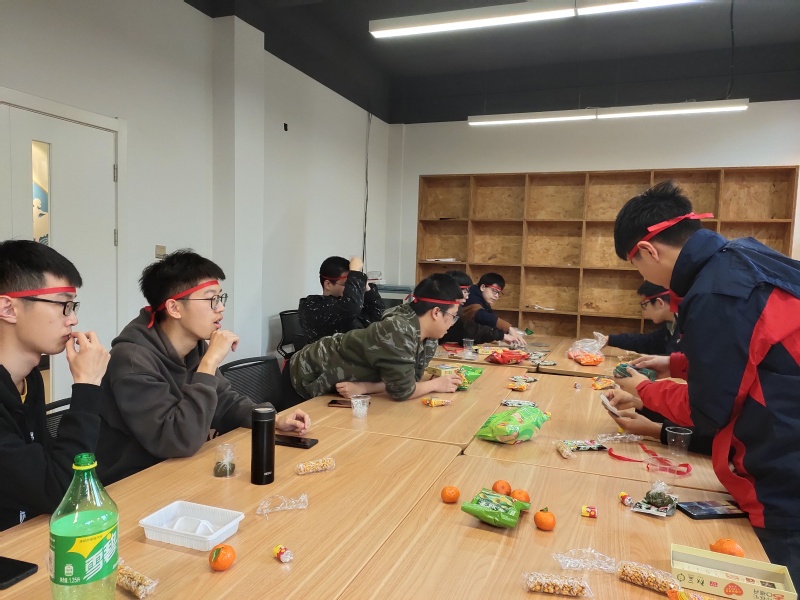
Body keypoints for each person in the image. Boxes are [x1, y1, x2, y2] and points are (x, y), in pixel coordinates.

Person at [608, 180, 800, 579]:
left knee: (778, 577)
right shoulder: (742, 257)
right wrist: (677, 364)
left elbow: (708, 410)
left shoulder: (717, 291)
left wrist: (643, 390)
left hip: (785, 474)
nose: (642, 273)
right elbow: (755, 353)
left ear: (648, 250)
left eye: (635, 264)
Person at [96, 250, 310, 484]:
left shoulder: (193, 345)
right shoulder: (132, 360)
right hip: (134, 482)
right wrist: (209, 363)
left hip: (181, 468)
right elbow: (176, 440)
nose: (220, 308)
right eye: (211, 299)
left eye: (221, 298)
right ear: (174, 308)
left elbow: (224, 402)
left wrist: (271, 419)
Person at [0, 240, 110, 530]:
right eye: (63, 305)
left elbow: (49, 469)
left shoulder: (29, 378)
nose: (73, 319)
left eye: (73, 306)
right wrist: (87, 386)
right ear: (8, 308)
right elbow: (60, 491)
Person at [284, 273, 463, 403]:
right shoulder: (398, 330)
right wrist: (436, 385)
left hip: (340, 382)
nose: (453, 322)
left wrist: (366, 388)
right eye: (453, 316)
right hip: (308, 373)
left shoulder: (429, 337)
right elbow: (403, 391)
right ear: (436, 313)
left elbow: (409, 380)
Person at [299, 255, 385, 343]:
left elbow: (378, 316)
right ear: (328, 284)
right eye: (346, 284)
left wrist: (366, 288)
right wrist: (355, 274)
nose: (350, 289)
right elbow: (350, 307)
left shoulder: (348, 303)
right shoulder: (312, 307)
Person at [439, 271, 526, 346]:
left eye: (498, 293)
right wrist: (506, 330)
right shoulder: (472, 298)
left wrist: (498, 336)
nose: (467, 296)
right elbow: (478, 319)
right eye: (494, 291)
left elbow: (469, 328)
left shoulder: (478, 300)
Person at [599, 281, 679, 355]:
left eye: (645, 304)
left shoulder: (684, 328)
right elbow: (647, 342)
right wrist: (610, 339)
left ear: (659, 303)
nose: (645, 311)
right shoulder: (670, 326)